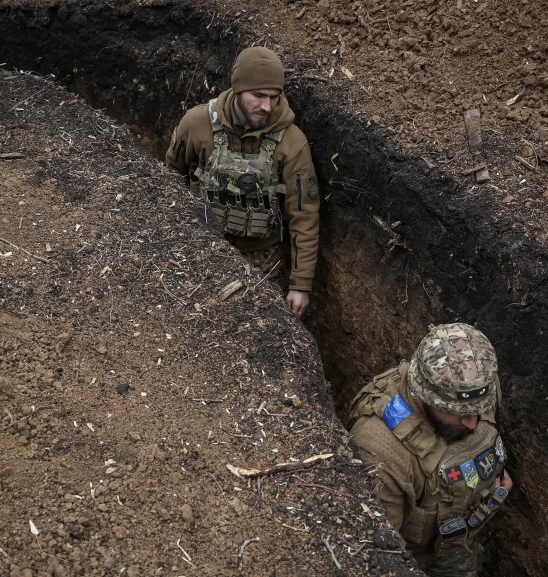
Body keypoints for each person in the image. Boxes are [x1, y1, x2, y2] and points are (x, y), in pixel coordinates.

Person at [348, 323, 514, 577]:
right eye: (458, 412)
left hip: (463, 543)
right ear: (422, 397)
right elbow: (381, 555)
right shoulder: (379, 450)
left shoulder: (478, 379)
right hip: (418, 562)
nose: (473, 422)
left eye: (479, 408)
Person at [165, 46, 320, 317]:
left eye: (274, 96)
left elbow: (304, 215)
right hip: (200, 245)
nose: (267, 106)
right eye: (258, 95)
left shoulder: (292, 142)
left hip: (262, 258)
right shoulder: (196, 123)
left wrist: (300, 284)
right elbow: (167, 180)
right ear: (237, 90)